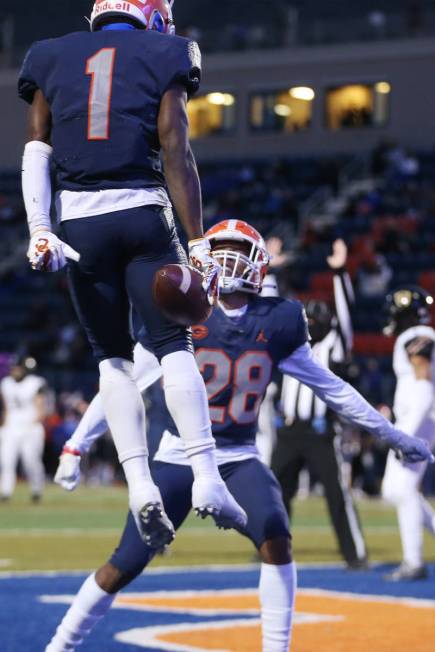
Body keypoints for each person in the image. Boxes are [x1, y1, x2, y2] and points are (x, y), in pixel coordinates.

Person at [47, 220, 432, 652]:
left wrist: (392, 435)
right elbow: (121, 385)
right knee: (127, 562)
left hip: (238, 457)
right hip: (179, 457)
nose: (229, 260)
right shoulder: (179, 309)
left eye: (239, 250)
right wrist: (76, 443)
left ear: (260, 265)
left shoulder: (280, 319)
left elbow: (333, 388)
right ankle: (60, 644)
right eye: (221, 249)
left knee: (276, 537)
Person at [18, 0, 246, 548]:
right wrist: (197, 241)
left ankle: (140, 484)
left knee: (114, 362)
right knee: (174, 348)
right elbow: (175, 146)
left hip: (77, 220)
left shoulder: (49, 55)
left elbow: (36, 151)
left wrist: (38, 229)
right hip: (144, 212)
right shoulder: (166, 51)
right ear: (150, 14)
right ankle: (208, 477)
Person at [272, 240, 368, 568]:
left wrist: (339, 272)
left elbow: (346, 315)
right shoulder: (288, 343)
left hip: (321, 432)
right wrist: (272, 270)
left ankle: (355, 555)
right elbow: (269, 309)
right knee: (275, 494)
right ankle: (273, 549)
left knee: (336, 496)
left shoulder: (335, 348)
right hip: (287, 430)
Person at [381, 286, 435, 580]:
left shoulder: (414, 336)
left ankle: (414, 561)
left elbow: (424, 387)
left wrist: (409, 434)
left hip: (419, 421)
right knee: (394, 490)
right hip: (417, 420)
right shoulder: (418, 335)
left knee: (402, 490)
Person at [0, 356, 48, 502]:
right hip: (11, 426)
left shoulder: (36, 383)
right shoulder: (6, 383)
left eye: (18, 368)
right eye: (13, 368)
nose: (15, 370)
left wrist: (33, 423)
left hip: (30, 426)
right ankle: (6, 493)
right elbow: (6, 408)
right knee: (6, 460)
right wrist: (4, 426)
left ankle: (36, 490)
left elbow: (41, 408)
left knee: (31, 461)